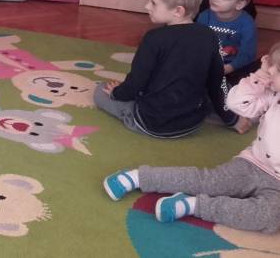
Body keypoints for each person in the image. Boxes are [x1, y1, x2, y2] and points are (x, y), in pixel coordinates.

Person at [102, 44, 280, 234]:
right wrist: (260, 77)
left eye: (277, 69)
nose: (270, 70)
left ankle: (192, 205)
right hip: (253, 164)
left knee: (269, 218)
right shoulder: (272, 96)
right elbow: (236, 104)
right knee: (211, 181)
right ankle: (138, 177)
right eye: (271, 65)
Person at [93, 0, 246, 138]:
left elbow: (136, 83)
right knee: (219, 90)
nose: (146, 6)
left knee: (100, 90)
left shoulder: (153, 38)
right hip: (192, 122)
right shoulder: (210, 36)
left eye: (153, 3)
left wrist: (116, 93)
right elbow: (217, 83)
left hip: (152, 122)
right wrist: (231, 119)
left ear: (178, 11)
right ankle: (227, 115)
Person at [196, 0, 259, 86]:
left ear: (239, 4)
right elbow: (198, 45)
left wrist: (229, 68)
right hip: (208, 63)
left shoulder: (247, 23)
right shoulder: (204, 17)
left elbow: (248, 54)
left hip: (235, 67)